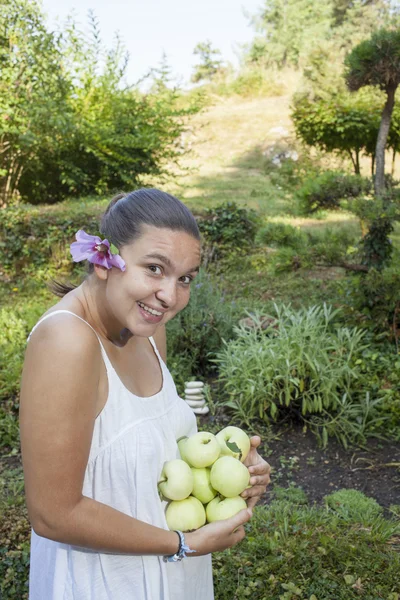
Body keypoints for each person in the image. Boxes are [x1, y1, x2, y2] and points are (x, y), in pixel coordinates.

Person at [20, 188, 271, 600]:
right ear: (104, 262)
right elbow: (52, 514)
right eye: (154, 268)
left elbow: (146, 448)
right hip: (103, 583)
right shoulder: (66, 341)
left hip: (167, 573)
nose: (170, 297)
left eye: (185, 278)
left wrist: (228, 469)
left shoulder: (146, 329)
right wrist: (180, 544)